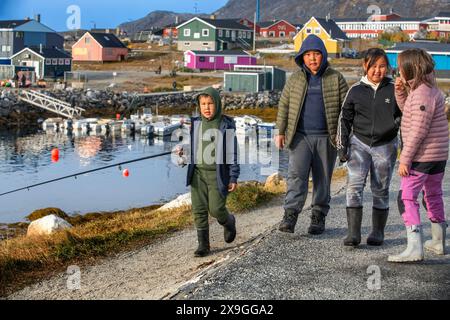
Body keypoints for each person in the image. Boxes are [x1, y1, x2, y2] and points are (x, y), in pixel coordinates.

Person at [275, 35, 349, 235]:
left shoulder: (336, 78)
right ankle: (290, 215)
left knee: (322, 179)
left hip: (328, 138)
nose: (312, 58)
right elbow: (284, 105)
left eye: (316, 54)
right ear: (302, 57)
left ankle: (318, 217)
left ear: (323, 55)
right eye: (308, 54)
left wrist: (346, 138)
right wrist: (280, 131)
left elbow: (347, 109)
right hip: (300, 137)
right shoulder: (296, 79)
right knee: (296, 175)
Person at [388, 49, 449, 262]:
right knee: (432, 195)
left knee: (406, 197)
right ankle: (438, 241)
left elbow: (418, 129)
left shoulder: (422, 93)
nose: (397, 71)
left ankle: (415, 248)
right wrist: (401, 92)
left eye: (399, 67)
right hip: (438, 156)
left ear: (410, 69)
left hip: (422, 157)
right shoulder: (428, 89)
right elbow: (411, 112)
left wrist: (405, 159)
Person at [337, 48, 402, 247]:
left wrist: (405, 148)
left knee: (380, 189)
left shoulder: (395, 89)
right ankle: (353, 234)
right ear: (365, 66)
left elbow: (405, 118)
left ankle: (377, 232)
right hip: (359, 144)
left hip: (386, 146)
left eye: (382, 66)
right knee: (354, 186)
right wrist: (342, 147)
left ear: (388, 68)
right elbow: (344, 119)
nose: (377, 70)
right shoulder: (355, 90)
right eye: (373, 66)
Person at [177, 87, 240, 257]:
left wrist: (233, 176)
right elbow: (192, 147)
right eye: (203, 104)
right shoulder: (196, 124)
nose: (206, 107)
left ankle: (229, 221)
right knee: (198, 210)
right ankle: (203, 245)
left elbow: (233, 153)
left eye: (210, 103)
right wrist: (183, 152)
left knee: (216, 209)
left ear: (217, 104)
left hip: (217, 176)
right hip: (197, 174)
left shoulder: (225, 125)